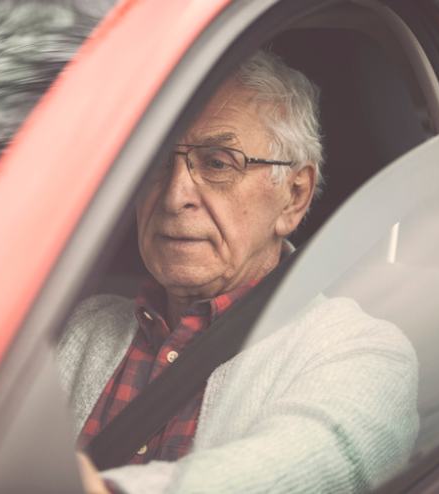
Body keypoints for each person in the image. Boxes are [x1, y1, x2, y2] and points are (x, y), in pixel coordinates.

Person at [56, 50, 418, 493]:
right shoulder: (82, 327)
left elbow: (311, 467)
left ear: (294, 197)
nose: (174, 196)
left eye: (218, 163)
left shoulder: (360, 352)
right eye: (156, 161)